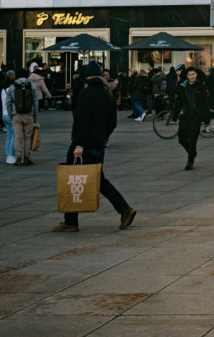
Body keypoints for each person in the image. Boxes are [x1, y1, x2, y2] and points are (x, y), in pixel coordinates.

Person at [52, 61, 136, 232]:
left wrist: (79, 144)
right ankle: (124, 209)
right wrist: (104, 136)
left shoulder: (85, 94)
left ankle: (70, 222)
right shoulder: (107, 95)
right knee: (97, 179)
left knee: (72, 177)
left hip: (83, 143)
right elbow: (112, 121)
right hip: (99, 142)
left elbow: (82, 121)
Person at [171, 66, 211, 170]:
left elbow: (205, 104)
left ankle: (190, 161)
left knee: (193, 139)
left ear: (196, 75)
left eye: (193, 74)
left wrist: (206, 119)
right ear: (187, 76)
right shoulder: (182, 87)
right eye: (190, 74)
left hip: (196, 116)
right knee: (181, 138)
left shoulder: (201, 87)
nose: (192, 76)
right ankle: (192, 152)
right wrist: (175, 116)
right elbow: (178, 102)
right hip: (185, 116)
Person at [7, 69, 39, 166]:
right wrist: (36, 116)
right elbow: (35, 102)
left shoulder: (12, 87)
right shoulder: (31, 86)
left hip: (16, 115)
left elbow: (8, 102)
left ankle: (18, 158)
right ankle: (26, 158)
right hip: (29, 115)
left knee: (18, 137)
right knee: (28, 137)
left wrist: (11, 114)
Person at [0, 70, 16, 164]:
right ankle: (11, 156)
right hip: (10, 114)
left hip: (4, 114)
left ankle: (7, 154)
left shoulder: (3, 89)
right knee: (14, 135)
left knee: (9, 135)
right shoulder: (12, 88)